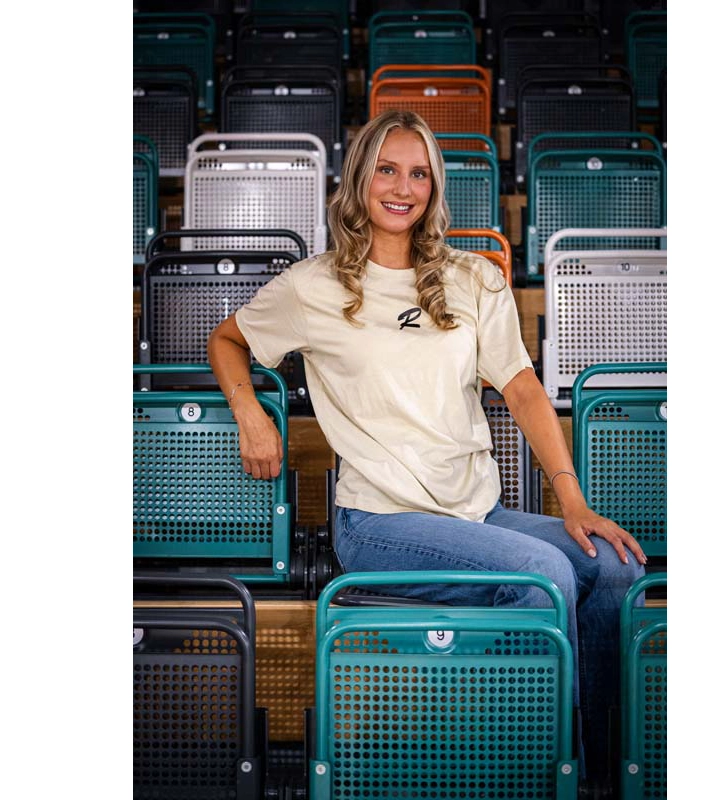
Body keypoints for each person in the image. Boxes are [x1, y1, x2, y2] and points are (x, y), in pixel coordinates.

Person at [207, 109, 647, 796]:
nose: (402, 187)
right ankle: (533, 773)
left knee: (613, 566)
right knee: (540, 574)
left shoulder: (473, 279)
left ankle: (594, 773)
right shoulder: (313, 285)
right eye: (386, 168)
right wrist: (250, 415)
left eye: (418, 173)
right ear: (358, 180)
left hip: (473, 514)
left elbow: (526, 389)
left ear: (434, 189)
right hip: (380, 522)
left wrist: (574, 502)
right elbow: (226, 339)